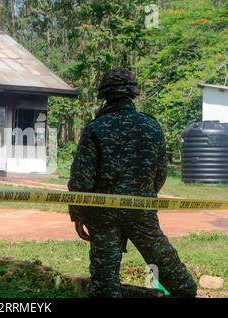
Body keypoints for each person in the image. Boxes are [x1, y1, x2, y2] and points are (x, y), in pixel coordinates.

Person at [68, 68, 197, 298]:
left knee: (105, 281)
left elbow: (81, 179)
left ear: (104, 95)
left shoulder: (95, 129)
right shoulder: (151, 126)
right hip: (142, 210)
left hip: (103, 214)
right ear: (133, 94)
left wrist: (78, 214)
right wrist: (143, 196)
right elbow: (159, 174)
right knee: (168, 266)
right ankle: (186, 290)